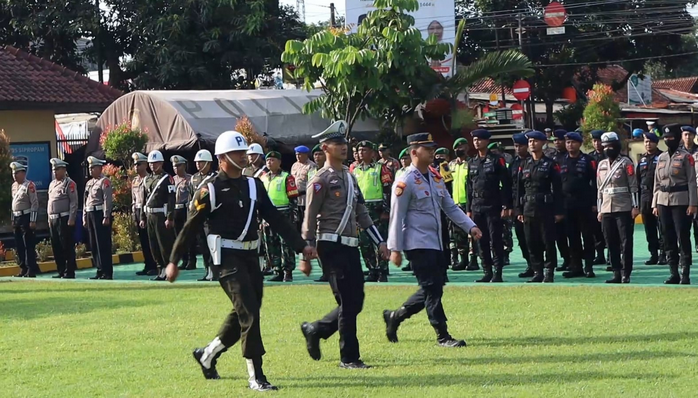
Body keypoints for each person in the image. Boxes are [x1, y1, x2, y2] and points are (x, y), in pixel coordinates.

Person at [166, 131, 314, 392]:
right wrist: (174, 260)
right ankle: (256, 376)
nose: (243, 156)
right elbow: (190, 227)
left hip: (250, 256)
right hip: (225, 259)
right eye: (236, 153)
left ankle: (207, 354)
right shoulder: (209, 190)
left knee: (245, 311)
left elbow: (276, 219)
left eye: (243, 151)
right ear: (222, 158)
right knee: (249, 312)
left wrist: (301, 246)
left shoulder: (254, 185)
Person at [299, 120, 389, 369]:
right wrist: (305, 252)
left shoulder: (350, 178)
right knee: (348, 302)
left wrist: (380, 242)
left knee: (356, 299)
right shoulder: (320, 179)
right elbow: (308, 216)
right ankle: (349, 357)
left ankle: (316, 329)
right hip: (329, 245)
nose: (344, 147)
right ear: (325, 147)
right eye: (337, 143)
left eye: (345, 143)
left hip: (350, 245)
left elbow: (362, 213)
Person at [383, 132, 482, 347]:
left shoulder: (436, 176)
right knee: (432, 286)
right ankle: (442, 335)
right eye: (426, 148)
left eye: (432, 147)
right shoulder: (405, 180)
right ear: (414, 152)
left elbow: (450, 207)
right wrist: (395, 249)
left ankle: (396, 316)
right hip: (416, 242)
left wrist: (470, 226)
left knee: (434, 287)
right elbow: (396, 215)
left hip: (436, 242)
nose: (431, 152)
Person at [653, 124, 698, 284]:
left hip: (681, 200)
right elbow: (657, 182)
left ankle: (685, 272)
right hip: (663, 201)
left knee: (682, 236)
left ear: (677, 138)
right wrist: (654, 204)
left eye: (671, 138)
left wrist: (693, 203)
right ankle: (673, 272)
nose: (668, 140)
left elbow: (692, 181)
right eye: (666, 138)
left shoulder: (686, 157)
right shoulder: (662, 157)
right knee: (667, 237)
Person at [516, 131, 563, 283]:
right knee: (531, 241)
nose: (532, 144)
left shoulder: (550, 164)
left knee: (548, 241)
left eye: (535, 141)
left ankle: (549, 271)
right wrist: (519, 210)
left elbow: (557, 189)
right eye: (530, 141)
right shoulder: (524, 164)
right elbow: (518, 189)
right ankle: (538, 271)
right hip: (528, 208)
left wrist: (558, 211)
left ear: (543, 143)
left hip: (545, 208)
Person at [466, 129, 511, 283]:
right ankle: (487, 271)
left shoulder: (497, 160)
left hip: (493, 204)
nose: (476, 142)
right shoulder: (472, 162)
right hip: (477, 206)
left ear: (486, 141)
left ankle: (497, 272)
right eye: (474, 140)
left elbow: (506, 184)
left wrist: (506, 205)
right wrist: (468, 209)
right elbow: (469, 188)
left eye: (479, 139)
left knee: (495, 239)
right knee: (480, 239)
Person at [597, 132, 639, 284]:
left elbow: (633, 186)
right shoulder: (601, 165)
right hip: (607, 208)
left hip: (624, 207)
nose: (608, 149)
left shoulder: (626, 163)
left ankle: (625, 272)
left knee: (626, 241)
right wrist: (600, 209)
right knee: (611, 241)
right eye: (605, 146)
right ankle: (615, 271)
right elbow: (599, 190)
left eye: (611, 146)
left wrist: (635, 206)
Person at [350, 141, 393, 282]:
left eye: (365, 150)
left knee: (380, 240)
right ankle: (372, 269)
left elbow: (388, 190)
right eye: (359, 150)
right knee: (364, 242)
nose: (361, 153)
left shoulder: (381, 168)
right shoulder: (354, 170)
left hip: (377, 208)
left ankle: (382, 270)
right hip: (361, 209)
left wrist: (386, 210)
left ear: (372, 153)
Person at [558, 132, 597, 278]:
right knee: (572, 237)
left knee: (587, 236)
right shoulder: (560, 160)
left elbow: (594, 183)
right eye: (567, 142)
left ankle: (588, 266)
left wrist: (594, 203)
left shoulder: (588, 160)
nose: (570, 145)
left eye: (573, 142)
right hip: (567, 204)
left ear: (580, 144)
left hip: (584, 203)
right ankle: (576, 266)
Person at [260, 151, 300, 282]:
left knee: (286, 243)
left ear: (279, 162)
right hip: (268, 213)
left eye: (272, 160)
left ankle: (288, 271)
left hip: (284, 213)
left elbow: (293, 198)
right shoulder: (264, 177)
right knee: (270, 243)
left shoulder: (287, 177)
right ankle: (277, 270)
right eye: (268, 160)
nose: (269, 163)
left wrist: (293, 216)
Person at [142, 150, 176, 281]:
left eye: (155, 163)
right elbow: (144, 199)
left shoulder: (168, 179)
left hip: (161, 215)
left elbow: (171, 199)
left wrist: (170, 217)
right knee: (153, 244)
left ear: (161, 163)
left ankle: (167, 270)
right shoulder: (147, 179)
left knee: (164, 244)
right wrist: (142, 217)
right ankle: (159, 268)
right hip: (149, 214)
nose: (153, 166)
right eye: (151, 163)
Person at [637, 132, 666, 265]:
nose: (648, 144)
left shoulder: (662, 157)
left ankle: (664, 254)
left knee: (663, 227)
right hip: (644, 196)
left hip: (658, 196)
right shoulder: (642, 159)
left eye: (650, 141)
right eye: (646, 142)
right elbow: (637, 180)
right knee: (649, 228)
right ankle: (653, 254)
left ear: (656, 143)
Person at [47, 158, 78, 279]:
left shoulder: (69, 183)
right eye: (54, 170)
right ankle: (60, 270)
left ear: (64, 170)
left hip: (64, 218)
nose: (55, 172)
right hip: (53, 219)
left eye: (57, 169)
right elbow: (50, 202)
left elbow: (74, 202)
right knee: (56, 246)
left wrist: (72, 218)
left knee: (66, 246)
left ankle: (69, 271)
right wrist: (49, 218)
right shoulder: (52, 184)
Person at [190, 149, 218, 281]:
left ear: (208, 163)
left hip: (210, 217)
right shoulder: (194, 178)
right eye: (197, 162)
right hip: (198, 216)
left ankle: (215, 271)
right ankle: (207, 270)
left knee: (213, 245)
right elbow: (191, 197)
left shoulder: (215, 177)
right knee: (203, 245)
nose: (198, 165)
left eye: (201, 162)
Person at [83, 156, 113, 280]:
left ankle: (107, 271)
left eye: (93, 167)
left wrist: (106, 215)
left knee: (103, 244)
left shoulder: (104, 181)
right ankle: (99, 270)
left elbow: (107, 199)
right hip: (90, 214)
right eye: (89, 167)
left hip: (99, 214)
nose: (90, 170)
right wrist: (84, 216)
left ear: (99, 168)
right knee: (94, 244)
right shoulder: (89, 183)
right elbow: (85, 201)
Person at [10, 161, 40, 278]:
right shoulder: (14, 186)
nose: (14, 175)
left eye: (16, 173)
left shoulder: (29, 185)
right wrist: (13, 218)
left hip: (26, 217)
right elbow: (13, 203)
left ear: (23, 173)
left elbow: (34, 204)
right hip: (17, 217)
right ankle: (22, 267)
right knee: (19, 244)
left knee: (28, 244)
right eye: (13, 173)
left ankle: (30, 269)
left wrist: (33, 220)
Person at [510, 133, 533, 277]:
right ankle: (530, 264)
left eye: (521, 146)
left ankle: (538, 265)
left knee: (533, 237)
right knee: (521, 238)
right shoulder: (513, 163)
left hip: (531, 205)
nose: (518, 149)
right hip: (517, 205)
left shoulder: (532, 161)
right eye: (516, 146)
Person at [132, 152, 158, 276]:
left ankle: (154, 264)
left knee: (150, 240)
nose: (136, 167)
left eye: (139, 164)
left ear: (146, 165)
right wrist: (133, 214)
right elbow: (133, 199)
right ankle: (147, 264)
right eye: (135, 164)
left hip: (146, 211)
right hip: (137, 210)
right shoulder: (135, 181)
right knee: (143, 240)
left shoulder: (149, 179)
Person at [172, 155, 196, 270]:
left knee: (189, 235)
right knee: (179, 236)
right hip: (176, 209)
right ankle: (184, 259)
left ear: (184, 165)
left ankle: (192, 260)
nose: (176, 168)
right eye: (174, 166)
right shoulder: (172, 180)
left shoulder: (190, 179)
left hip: (186, 208)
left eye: (178, 165)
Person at [588, 129, 608, 265]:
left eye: (599, 140)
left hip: (608, 196)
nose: (597, 143)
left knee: (609, 229)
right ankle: (599, 254)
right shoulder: (589, 158)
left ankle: (612, 257)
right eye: (594, 141)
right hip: (594, 196)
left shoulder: (610, 156)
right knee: (595, 229)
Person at [679, 126, 698, 252]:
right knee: (682, 220)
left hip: (696, 189)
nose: (687, 137)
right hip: (681, 191)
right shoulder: (678, 152)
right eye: (685, 134)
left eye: (690, 134)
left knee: (697, 219)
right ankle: (683, 246)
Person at [291, 145, 316, 234]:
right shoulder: (294, 165)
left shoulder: (311, 166)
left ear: (306, 155)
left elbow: (312, 182)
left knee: (306, 220)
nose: (298, 156)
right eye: (297, 154)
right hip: (295, 198)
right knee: (297, 222)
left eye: (300, 154)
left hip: (305, 197)